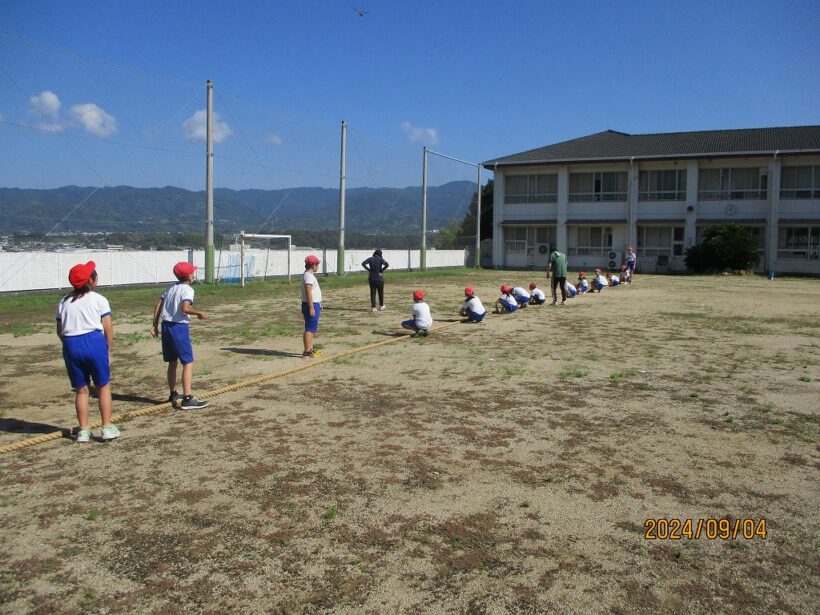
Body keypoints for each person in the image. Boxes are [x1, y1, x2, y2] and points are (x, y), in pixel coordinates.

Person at [57, 261, 119, 442]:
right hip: (94, 342)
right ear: (92, 280)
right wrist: (107, 349)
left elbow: (59, 330)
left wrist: (70, 344)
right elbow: (108, 328)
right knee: (103, 386)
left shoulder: (63, 301)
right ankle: (106, 427)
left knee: (81, 390)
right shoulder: (99, 299)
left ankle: (83, 430)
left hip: (71, 344)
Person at [151, 262, 208, 409]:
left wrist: (154, 325)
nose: (194, 274)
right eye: (193, 272)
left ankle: (173, 393)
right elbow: (185, 308)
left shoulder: (170, 287)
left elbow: (158, 305)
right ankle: (188, 398)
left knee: (172, 362)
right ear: (189, 276)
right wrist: (199, 313)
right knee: (187, 362)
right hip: (178, 327)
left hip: (166, 326)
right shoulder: (187, 290)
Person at [301, 254, 323, 358]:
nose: (318, 266)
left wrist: (318, 303)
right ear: (313, 265)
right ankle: (306, 351)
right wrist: (311, 307)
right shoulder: (308, 276)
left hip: (314, 303)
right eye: (317, 264)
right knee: (309, 328)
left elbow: (314, 292)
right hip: (310, 304)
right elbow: (308, 293)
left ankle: (310, 348)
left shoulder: (308, 275)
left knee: (312, 328)